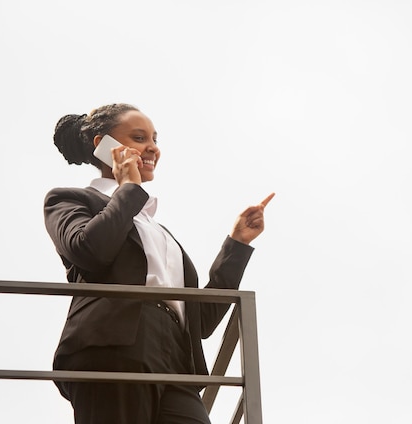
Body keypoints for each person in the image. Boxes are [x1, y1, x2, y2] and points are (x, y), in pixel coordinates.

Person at [45, 103, 273, 424]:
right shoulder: (70, 200)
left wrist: (237, 244)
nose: (153, 147)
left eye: (155, 138)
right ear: (103, 146)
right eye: (139, 138)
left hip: (177, 360)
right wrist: (128, 188)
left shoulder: (157, 230)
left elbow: (200, 319)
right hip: (115, 347)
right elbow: (90, 251)